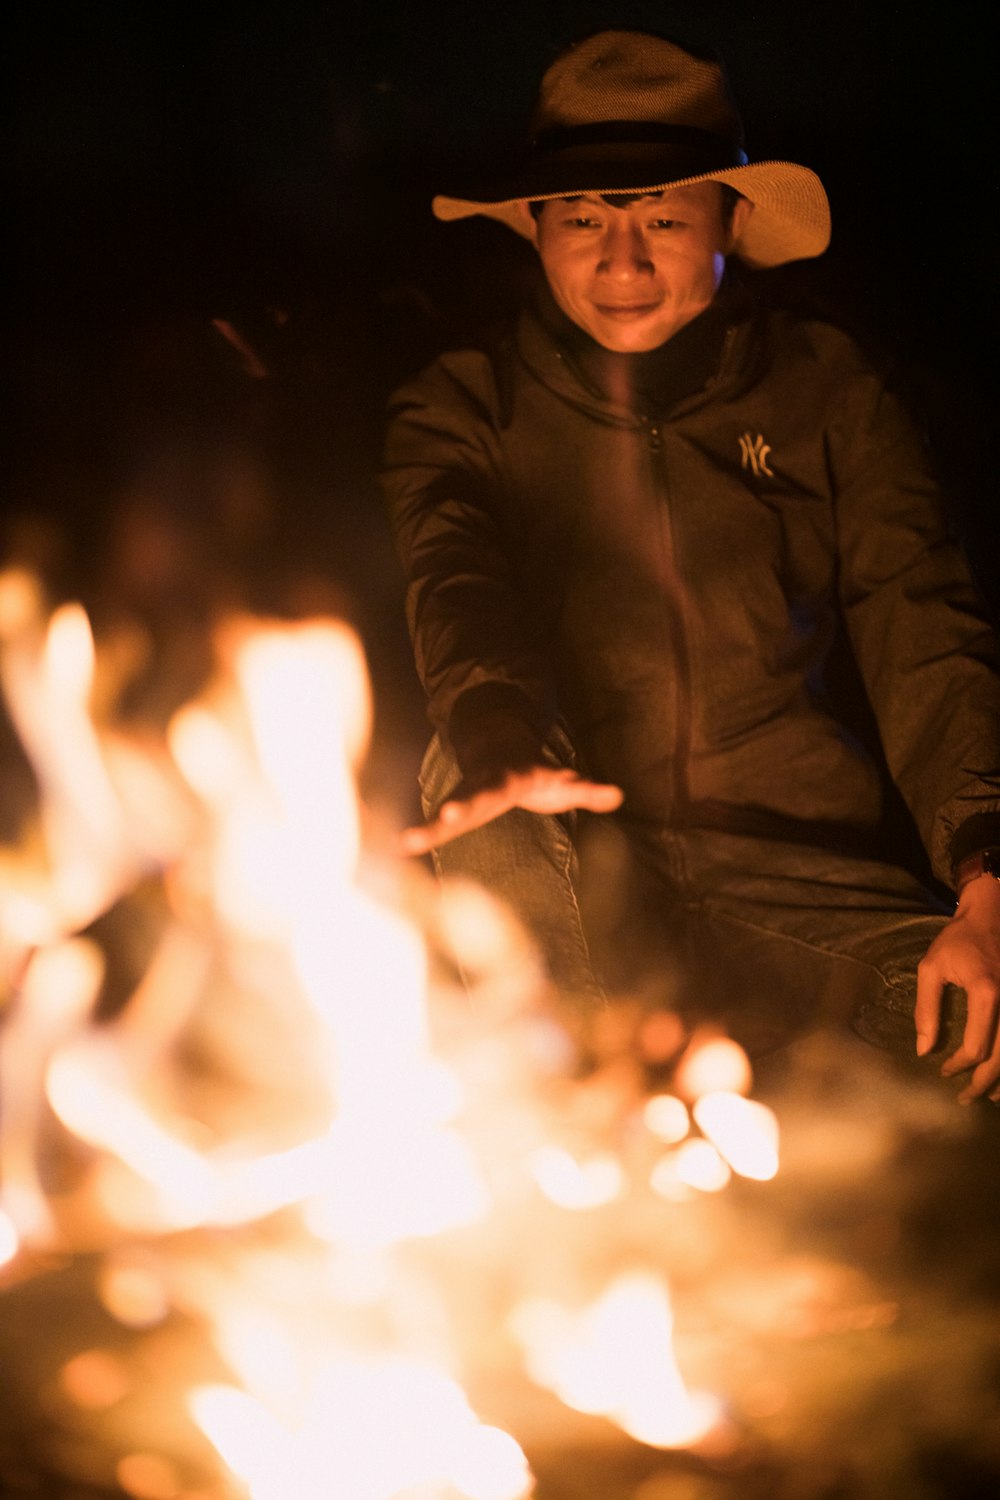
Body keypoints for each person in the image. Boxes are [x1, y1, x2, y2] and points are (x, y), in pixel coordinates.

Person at [383, 30, 1000, 1100]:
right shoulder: (463, 407)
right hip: (574, 877)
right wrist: (495, 733)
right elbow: (457, 579)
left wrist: (988, 886)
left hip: (798, 885)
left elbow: (923, 626)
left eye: (663, 217)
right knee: (473, 776)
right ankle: (564, 1106)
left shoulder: (831, 391)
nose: (621, 261)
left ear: (730, 222)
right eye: (582, 218)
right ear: (534, 228)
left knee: (983, 1035)